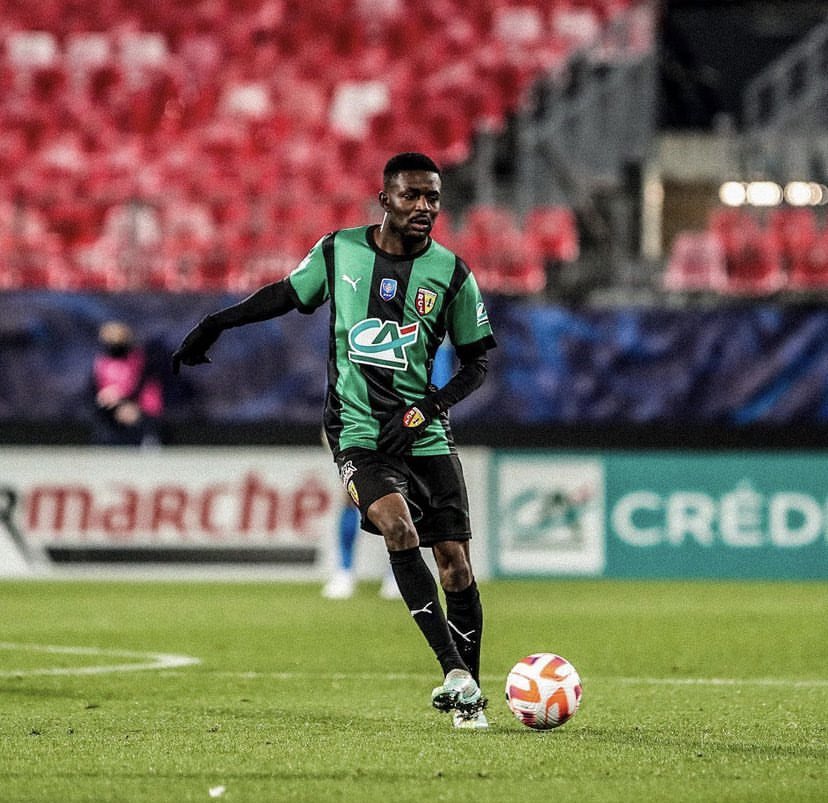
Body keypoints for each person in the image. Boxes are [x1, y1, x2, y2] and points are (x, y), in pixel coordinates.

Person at [172, 152, 496, 729]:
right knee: (397, 527)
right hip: (355, 429)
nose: (424, 207)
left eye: (433, 197)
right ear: (385, 199)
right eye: (412, 196)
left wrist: (425, 410)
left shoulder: (452, 274)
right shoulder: (339, 251)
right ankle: (452, 670)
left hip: (424, 434)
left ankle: (469, 696)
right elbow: (284, 294)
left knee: (456, 567)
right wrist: (216, 322)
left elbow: (477, 365)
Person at [91, 320, 164, 446]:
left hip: (140, 407)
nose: (113, 343)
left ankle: (149, 439)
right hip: (113, 409)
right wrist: (109, 398)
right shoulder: (102, 362)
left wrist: (127, 403)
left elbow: (140, 385)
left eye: (117, 339)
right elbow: (96, 388)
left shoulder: (139, 359)